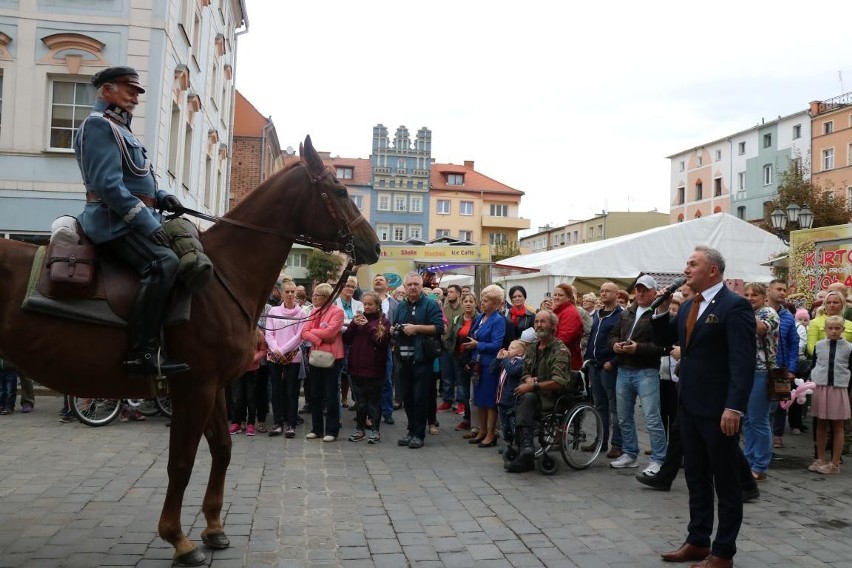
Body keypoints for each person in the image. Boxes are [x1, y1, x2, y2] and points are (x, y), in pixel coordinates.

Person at [73, 66, 187, 379]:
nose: (135, 96)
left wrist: (162, 196)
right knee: (163, 263)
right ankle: (140, 355)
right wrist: (148, 224)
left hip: (130, 216)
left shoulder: (120, 129)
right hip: (111, 221)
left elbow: (136, 178)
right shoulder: (99, 126)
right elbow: (109, 186)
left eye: (137, 92)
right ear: (105, 90)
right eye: (129, 89)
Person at [651, 245, 755, 568]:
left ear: (712, 270)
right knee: (695, 477)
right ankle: (697, 541)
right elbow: (666, 340)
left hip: (719, 410)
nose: (686, 269)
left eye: (692, 264)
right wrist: (659, 311)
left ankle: (723, 552)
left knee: (725, 482)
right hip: (690, 406)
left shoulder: (734, 306)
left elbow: (742, 362)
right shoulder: (688, 307)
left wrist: (734, 407)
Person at [608, 274, 668, 473]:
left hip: (646, 370)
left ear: (653, 292)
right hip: (624, 368)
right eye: (639, 289)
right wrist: (614, 345)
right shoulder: (628, 311)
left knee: (652, 417)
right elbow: (613, 334)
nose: (641, 293)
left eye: (645, 290)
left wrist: (638, 348)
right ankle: (630, 453)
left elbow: (663, 346)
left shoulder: (658, 313)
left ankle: (659, 459)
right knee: (623, 415)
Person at [505, 310, 572, 473]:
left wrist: (532, 386)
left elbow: (558, 382)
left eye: (543, 322)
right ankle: (526, 448)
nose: (539, 325)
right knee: (524, 397)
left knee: (526, 397)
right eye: (536, 322)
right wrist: (528, 378)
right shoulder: (533, 347)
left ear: (553, 326)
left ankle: (526, 449)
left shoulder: (560, 350)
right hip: (533, 395)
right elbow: (525, 371)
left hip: (553, 397)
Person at [394, 272, 445, 450]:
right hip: (404, 359)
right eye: (410, 285)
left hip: (422, 359)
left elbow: (439, 327)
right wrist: (396, 329)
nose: (413, 287)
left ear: (421, 285)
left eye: (416, 284)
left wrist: (416, 328)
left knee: (420, 398)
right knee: (407, 397)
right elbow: (395, 325)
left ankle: (418, 434)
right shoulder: (400, 306)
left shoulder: (430, 304)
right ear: (405, 287)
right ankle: (410, 430)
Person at [741, 282, 779, 482]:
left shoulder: (769, 313)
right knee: (747, 419)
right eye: (746, 294)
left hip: (762, 372)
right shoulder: (745, 312)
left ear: (764, 297)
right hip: (745, 372)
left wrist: (743, 311)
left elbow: (762, 329)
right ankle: (748, 460)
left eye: (754, 295)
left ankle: (761, 465)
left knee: (758, 420)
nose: (749, 298)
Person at [343, 291, 391, 444]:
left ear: (377, 305)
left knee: (374, 402)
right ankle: (360, 429)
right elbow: (346, 339)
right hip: (356, 367)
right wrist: (353, 325)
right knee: (360, 402)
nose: (367, 307)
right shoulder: (357, 320)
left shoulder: (383, 321)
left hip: (374, 368)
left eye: (371, 304)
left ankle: (375, 430)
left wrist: (367, 326)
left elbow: (382, 342)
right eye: (365, 304)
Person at [463, 285, 507, 448]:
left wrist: (477, 345)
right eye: (482, 299)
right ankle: (482, 430)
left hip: (490, 365)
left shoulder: (498, 320)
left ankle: (491, 433)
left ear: (496, 304)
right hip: (478, 364)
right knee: (479, 400)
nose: (482, 303)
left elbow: (497, 345)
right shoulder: (481, 317)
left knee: (489, 401)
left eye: (486, 300)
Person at [584, 281, 624, 459]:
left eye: (608, 291)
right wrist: (587, 358)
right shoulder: (598, 314)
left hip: (609, 367)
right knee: (600, 406)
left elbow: (624, 341)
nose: (603, 293)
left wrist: (613, 362)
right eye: (601, 291)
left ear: (617, 295)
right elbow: (592, 336)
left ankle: (617, 444)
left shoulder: (621, 315)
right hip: (594, 365)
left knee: (614, 407)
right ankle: (600, 441)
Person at [301, 283, 345, 443]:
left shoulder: (337, 312)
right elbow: (304, 332)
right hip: (315, 357)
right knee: (315, 394)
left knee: (331, 395)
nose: (314, 298)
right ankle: (317, 429)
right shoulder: (313, 311)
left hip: (332, 358)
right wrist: (319, 338)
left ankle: (332, 430)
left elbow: (331, 331)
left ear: (326, 298)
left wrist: (315, 333)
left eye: (317, 295)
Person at [808, 315, 852, 474]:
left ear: (843, 329)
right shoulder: (819, 345)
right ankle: (820, 459)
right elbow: (814, 365)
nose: (833, 331)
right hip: (821, 387)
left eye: (837, 328)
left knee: (838, 425)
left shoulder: (849, 348)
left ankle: (834, 463)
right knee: (821, 424)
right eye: (830, 328)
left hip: (839, 388)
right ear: (825, 329)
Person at [265, 280, 307, 438]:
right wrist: (276, 350)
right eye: (287, 291)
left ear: (296, 293)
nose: (290, 294)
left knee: (291, 391)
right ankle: (277, 422)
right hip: (274, 357)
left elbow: (299, 336)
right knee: (276, 391)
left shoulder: (302, 313)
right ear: (281, 293)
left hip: (292, 357)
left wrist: (282, 350)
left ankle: (291, 423)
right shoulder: (274, 311)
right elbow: (269, 333)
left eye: (292, 291)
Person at [766, 279, 799, 450]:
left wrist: (792, 369)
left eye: (784, 290)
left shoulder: (788, 317)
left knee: (780, 405)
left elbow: (794, 343)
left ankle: (777, 435)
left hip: (781, 368)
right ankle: (764, 439)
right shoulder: (760, 313)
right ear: (769, 290)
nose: (782, 293)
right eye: (779, 289)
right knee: (764, 406)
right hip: (762, 366)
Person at [445, 292, 479, 432]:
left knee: (474, 392)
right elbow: (452, 337)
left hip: (475, 360)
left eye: (471, 301)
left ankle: (477, 422)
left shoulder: (480, 319)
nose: (468, 303)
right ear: (462, 303)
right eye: (466, 301)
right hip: (460, 359)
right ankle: (467, 419)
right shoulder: (458, 319)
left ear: (475, 303)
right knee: (463, 390)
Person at [334, 276, 364, 410]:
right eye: (348, 285)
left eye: (353, 287)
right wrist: (351, 323)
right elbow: (335, 325)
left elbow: (360, 323)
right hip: (338, 343)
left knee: (355, 375)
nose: (350, 289)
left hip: (354, 344)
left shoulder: (359, 304)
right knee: (338, 376)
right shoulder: (334, 303)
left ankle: (359, 404)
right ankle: (335, 408)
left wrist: (345, 323)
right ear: (341, 286)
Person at [372, 274, 398, 425]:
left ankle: (387, 411)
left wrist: (393, 341)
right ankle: (370, 411)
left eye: (381, 279)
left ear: (387, 285)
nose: (378, 280)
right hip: (368, 345)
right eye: (376, 279)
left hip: (386, 346)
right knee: (368, 380)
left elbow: (398, 322)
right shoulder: (366, 299)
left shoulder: (394, 303)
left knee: (387, 380)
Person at [493, 340, 527, 445]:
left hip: (511, 400)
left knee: (512, 423)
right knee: (504, 425)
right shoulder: (506, 361)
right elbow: (493, 370)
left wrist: (506, 359)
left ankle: (517, 444)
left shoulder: (520, 363)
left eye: (512, 348)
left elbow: (512, 371)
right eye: (509, 347)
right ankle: (509, 444)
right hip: (501, 398)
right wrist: (498, 358)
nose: (508, 350)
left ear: (520, 353)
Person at [438, 284, 465, 414]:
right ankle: (447, 401)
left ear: (459, 293)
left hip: (459, 347)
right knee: (446, 376)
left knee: (459, 377)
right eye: (447, 292)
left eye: (451, 292)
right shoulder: (444, 309)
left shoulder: (464, 309)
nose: (448, 294)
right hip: (445, 347)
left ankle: (461, 403)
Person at [550, 284, 584, 371]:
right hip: (557, 359)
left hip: (565, 362)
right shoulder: (559, 310)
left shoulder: (570, 313)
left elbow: (563, 339)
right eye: (555, 294)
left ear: (569, 297)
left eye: (560, 295)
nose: (556, 297)